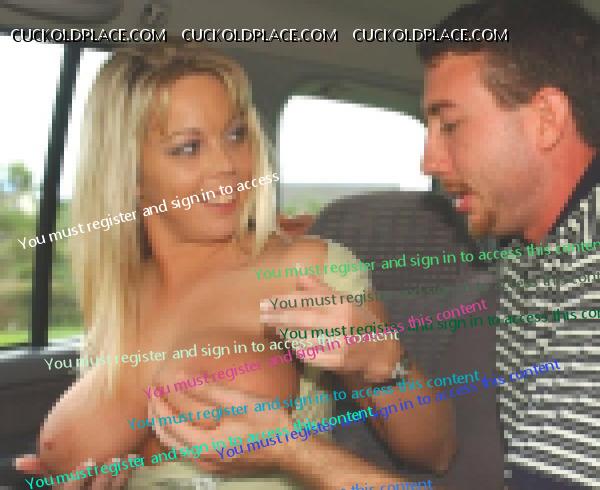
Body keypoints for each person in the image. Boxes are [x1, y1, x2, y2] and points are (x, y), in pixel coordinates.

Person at [15, 44, 455, 489]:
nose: (227, 165)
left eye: (235, 135)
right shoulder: (120, 297)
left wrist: (383, 358)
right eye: (188, 148)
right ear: (129, 176)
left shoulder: (305, 269)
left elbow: (434, 453)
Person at [417, 0, 600, 488]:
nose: (428, 162)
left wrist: (299, 453)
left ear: (546, 119)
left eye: (450, 126)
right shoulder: (525, 245)